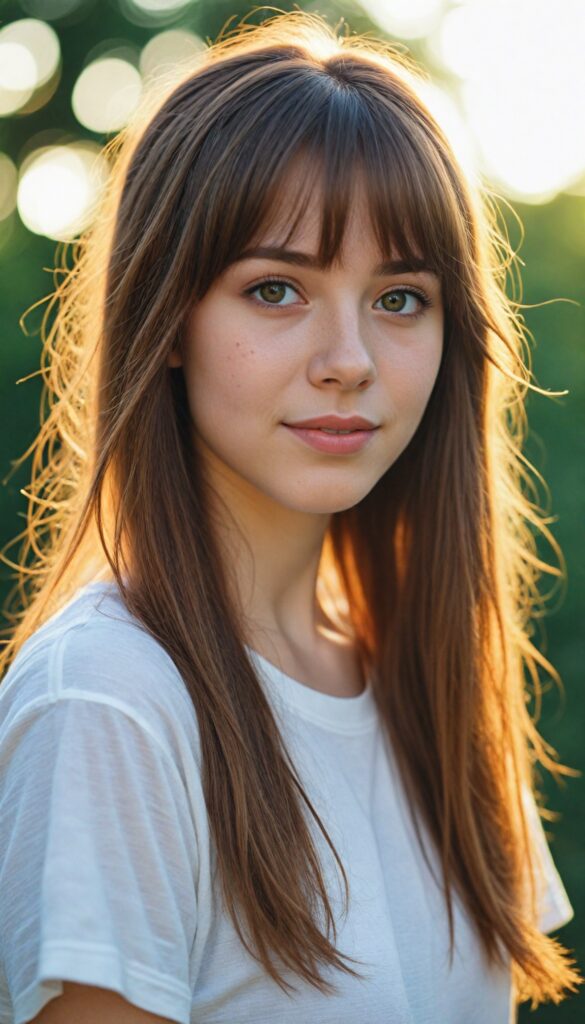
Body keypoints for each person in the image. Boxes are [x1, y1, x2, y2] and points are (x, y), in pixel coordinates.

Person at [0, 9, 580, 1024]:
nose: (348, 359)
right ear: (167, 319)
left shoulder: (428, 674)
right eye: (276, 289)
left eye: (399, 298)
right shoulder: (107, 701)